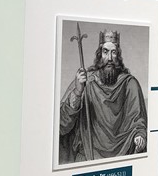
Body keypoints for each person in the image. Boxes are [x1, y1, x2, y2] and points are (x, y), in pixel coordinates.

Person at [59, 29, 147, 164]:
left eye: (113, 52)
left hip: (124, 153)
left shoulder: (129, 84)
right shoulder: (87, 82)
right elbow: (63, 124)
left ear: (118, 55)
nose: (110, 58)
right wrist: (78, 92)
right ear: (100, 54)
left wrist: (139, 135)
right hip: (88, 155)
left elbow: (138, 119)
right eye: (106, 52)